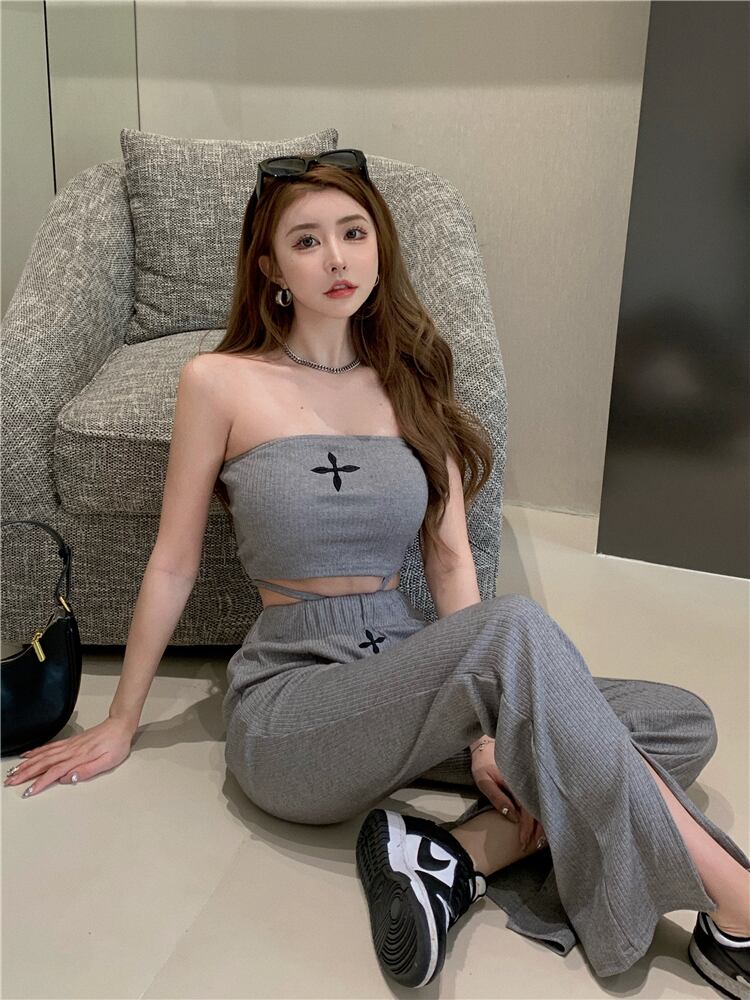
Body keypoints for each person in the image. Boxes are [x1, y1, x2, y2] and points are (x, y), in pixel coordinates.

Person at [6, 150, 749, 998]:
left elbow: (450, 560)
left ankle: (455, 856)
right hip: (293, 711)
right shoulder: (218, 382)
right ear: (270, 267)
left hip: (405, 675)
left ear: (379, 245)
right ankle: (736, 910)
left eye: (353, 233)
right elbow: (174, 562)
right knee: (520, 638)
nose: (337, 258)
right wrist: (122, 719)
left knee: (679, 721)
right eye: (307, 241)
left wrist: (485, 739)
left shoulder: (412, 385)